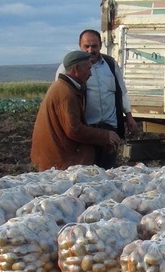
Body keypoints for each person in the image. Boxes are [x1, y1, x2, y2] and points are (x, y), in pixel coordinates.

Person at [55, 29, 138, 168]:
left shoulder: (111, 64)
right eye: (86, 46)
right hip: (86, 129)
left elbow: (120, 92)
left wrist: (129, 116)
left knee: (107, 169)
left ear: (100, 45)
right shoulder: (68, 67)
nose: (90, 50)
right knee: (87, 170)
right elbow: (62, 96)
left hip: (109, 127)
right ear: (79, 46)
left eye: (94, 46)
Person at [31, 50, 121, 170]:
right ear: (76, 69)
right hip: (59, 163)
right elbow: (74, 130)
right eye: (88, 69)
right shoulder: (66, 93)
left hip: (52, 159)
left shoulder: (63, 87)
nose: (90, 74)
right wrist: (105, 136)